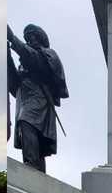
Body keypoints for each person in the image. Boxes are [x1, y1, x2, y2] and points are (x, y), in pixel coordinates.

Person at [8, 23, 68, 173]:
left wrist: (12, 38)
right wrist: (8, 56)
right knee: (32, 135)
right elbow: (15, 85)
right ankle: (37, 169)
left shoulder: (47, 55)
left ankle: (32, 164)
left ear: (40, 38)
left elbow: (33, 58)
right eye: (27, 38)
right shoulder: (25, 64)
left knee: (26, 120)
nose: (30, 40)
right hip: (25, 100)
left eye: (33, 37)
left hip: (40, 99)